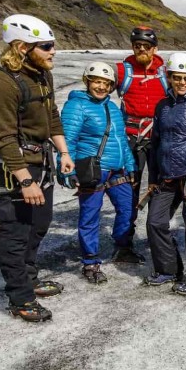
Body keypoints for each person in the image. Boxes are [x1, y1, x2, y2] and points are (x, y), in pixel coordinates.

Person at [0, 14, 75, 322]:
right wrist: (25, 180)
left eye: (53, 45)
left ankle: (29, 277)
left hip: (42, 162)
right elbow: (3, 138)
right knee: (16, 232)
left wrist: (63, 151)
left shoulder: (41, 75)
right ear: (22, 47)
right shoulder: (0, 82)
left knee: (40, 222)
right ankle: (19, 298)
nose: (53, 51)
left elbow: (52, 116)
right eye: (47, 46)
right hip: (14, 170)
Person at [144, 53, 186, 296]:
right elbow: (155, 143)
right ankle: (169, 269)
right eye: (178, 78)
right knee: (155, 221)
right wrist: (153, 178)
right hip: (166, 176)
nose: (183, 83)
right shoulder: (162, 106)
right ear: (169, 77)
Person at [60, 62, 136, 285]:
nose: (101, 87)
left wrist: (130, 164)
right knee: (90, 216)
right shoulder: (76, 106)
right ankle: (90, 261)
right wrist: (66, 169)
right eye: (97, 81)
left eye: (106, 83)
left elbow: (121, 139)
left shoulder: (112, 107)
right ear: (87, 81)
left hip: (117, 168)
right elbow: (67, 140)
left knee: (127, 210)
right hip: (92, 169)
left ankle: (121, 247)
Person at [114, 26, 165, 263]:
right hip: (130, 139)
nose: (141, 49)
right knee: (130, 191)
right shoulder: (122, 71)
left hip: (158, 138)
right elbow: (98, 88)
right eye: (137, 46)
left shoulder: (165, 72)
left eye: (146, 46)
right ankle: (124, 244)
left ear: (155, 48)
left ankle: (158, 240)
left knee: (160, 188)